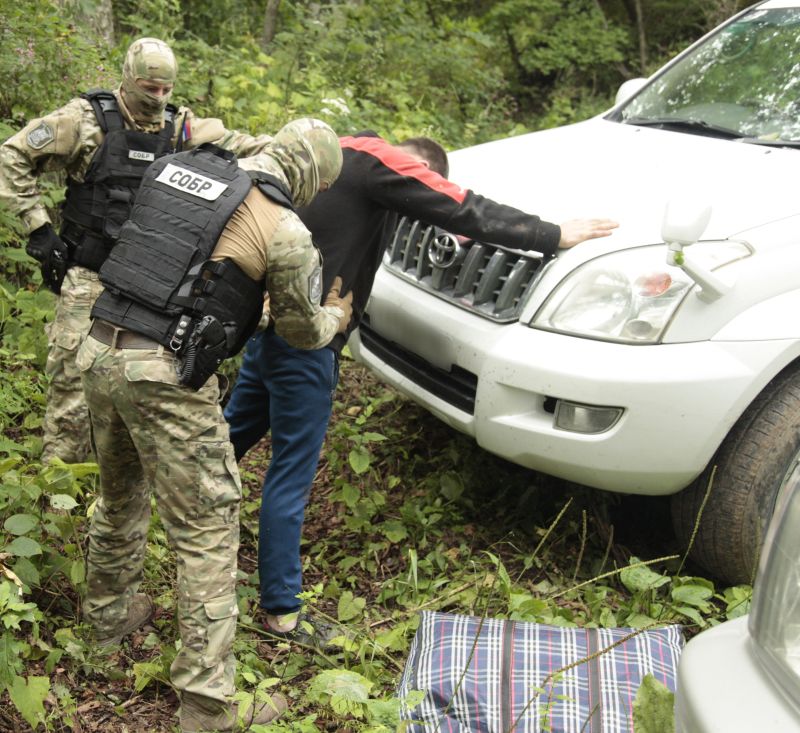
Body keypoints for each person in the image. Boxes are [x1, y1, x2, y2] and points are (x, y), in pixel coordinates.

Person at [223, 130, 620, 645]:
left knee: (226, 440)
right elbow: (459, 208)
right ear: (416, 169)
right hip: (308, 344)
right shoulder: (376, 161)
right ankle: (281, 613)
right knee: (290, 476)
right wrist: (550, 234)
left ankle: (165, 517)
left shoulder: (322, 151)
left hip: (269, 328)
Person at [75, 118, 351, 733]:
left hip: (96, 347)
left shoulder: (188, 170)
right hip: (163, 377)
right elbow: (300, 332)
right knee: (207, 529)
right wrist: (333, 316)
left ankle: (105, 626)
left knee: (118, 497)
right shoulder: (286, 230)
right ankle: (207, 705)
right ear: (312, 176)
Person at [0, 37, 273, 464]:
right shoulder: (86, 121)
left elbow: (250, 148)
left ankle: (114, 489)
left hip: (151, 285)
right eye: (149, 88)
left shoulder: (181, 130)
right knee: (72, 386)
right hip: (90, 275)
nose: (157, 99)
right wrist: (38, 227)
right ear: (129, 80)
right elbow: (12, 156)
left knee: (139, 388)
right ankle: (57, 495)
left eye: (166, 91)